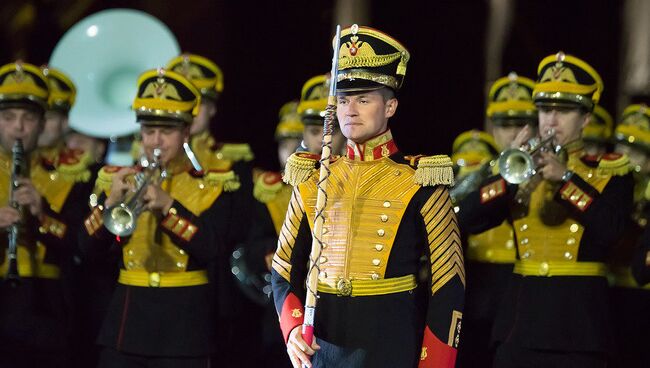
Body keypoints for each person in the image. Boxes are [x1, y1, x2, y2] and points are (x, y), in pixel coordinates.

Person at [272, 24, 465, 368]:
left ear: (390, 106)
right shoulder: (312, 176)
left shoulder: (421, 179)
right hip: (323, 347)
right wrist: (292, 328)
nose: (350, 110)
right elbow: (284, 265)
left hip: (390, 343)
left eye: (363, 99)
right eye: (343, 99)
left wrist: (435, 362)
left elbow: (449, 282)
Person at [459, 52, 633, 367]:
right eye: (545, 110)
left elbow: (613, 232)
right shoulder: (522, 169)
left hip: (579, 327)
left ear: (586, 118)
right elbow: (468, 217)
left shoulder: (611, 172)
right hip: (519, 325)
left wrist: (566, 181)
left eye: (563, 111)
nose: (550, 120)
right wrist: (508, 177)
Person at [78, 68, 239, 367]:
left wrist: (169, 208)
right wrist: (109, 204)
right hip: (126, 322)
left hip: (184, 328)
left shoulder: (215, 183)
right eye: (149, 131)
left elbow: (212, 249)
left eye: (166, 132)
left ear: (186, 132)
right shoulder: (118, 180)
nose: (155, 141)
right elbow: (86, 251)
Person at [0, 61, 93, 368]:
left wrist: (42, 215)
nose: (18, 127)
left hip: (47, 305)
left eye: (29, 118)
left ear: (41, 124)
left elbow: (83, 243)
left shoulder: (73, 174)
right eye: (8, 117)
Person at [455, 73, 537, 367]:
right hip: (480, 283)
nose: (512, 133)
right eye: (504, 126)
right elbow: (463, 216)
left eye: (521, 124)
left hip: (525, 282)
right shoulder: (484, 170)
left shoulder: (547, 168)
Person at [607, 103, 650, 368]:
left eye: (637, 152)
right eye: (623, 148)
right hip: (610, 291)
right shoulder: (611, 189)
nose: (627, 156)